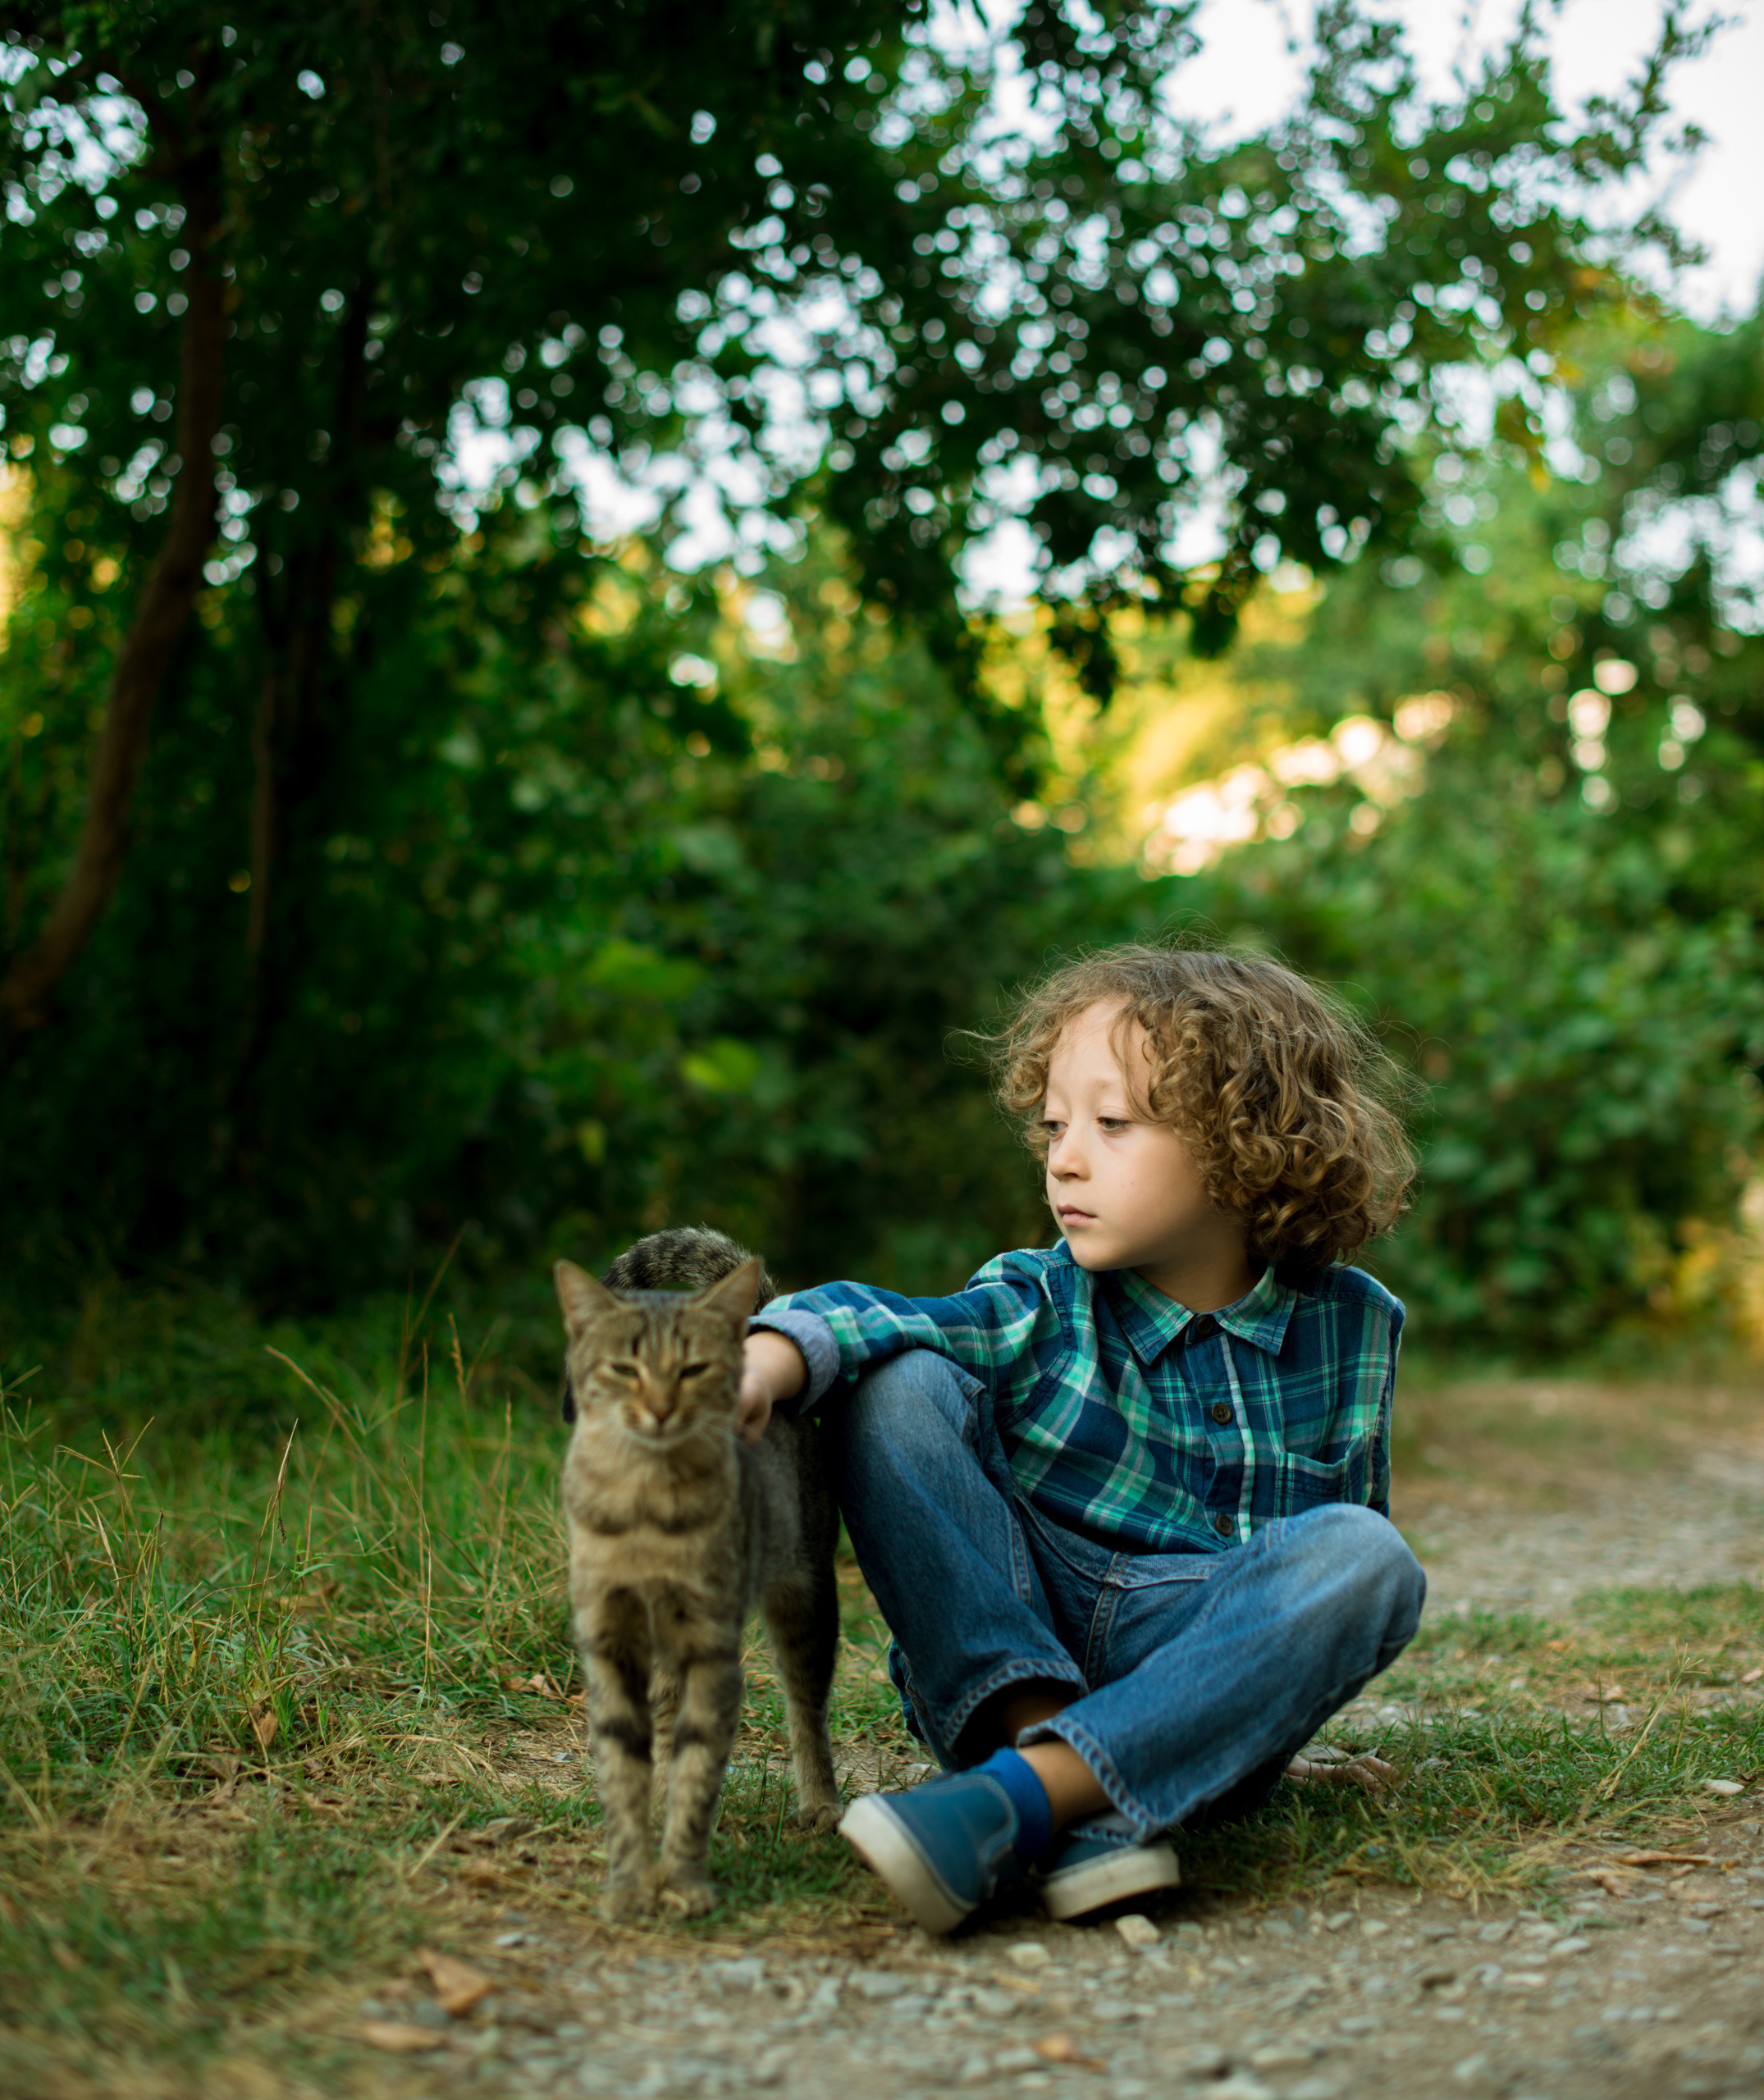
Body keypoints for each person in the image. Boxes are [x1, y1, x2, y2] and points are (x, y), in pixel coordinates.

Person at [736, 942, 1428, 1934]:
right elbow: (880, 1315)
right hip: (1016, 1643)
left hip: (1192, 1666)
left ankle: (1016, 1808)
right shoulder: (1041, 1294)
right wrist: (766, 1356)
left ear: (1246, 1142)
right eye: (1055, 1124)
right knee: (898, 1383)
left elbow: (1311, 1600)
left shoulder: (1351, 1325)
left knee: (1365, 1556)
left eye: (1112, 1124)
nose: (1063, 1156)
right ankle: (1053, 1783)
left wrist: (1264, 1723)